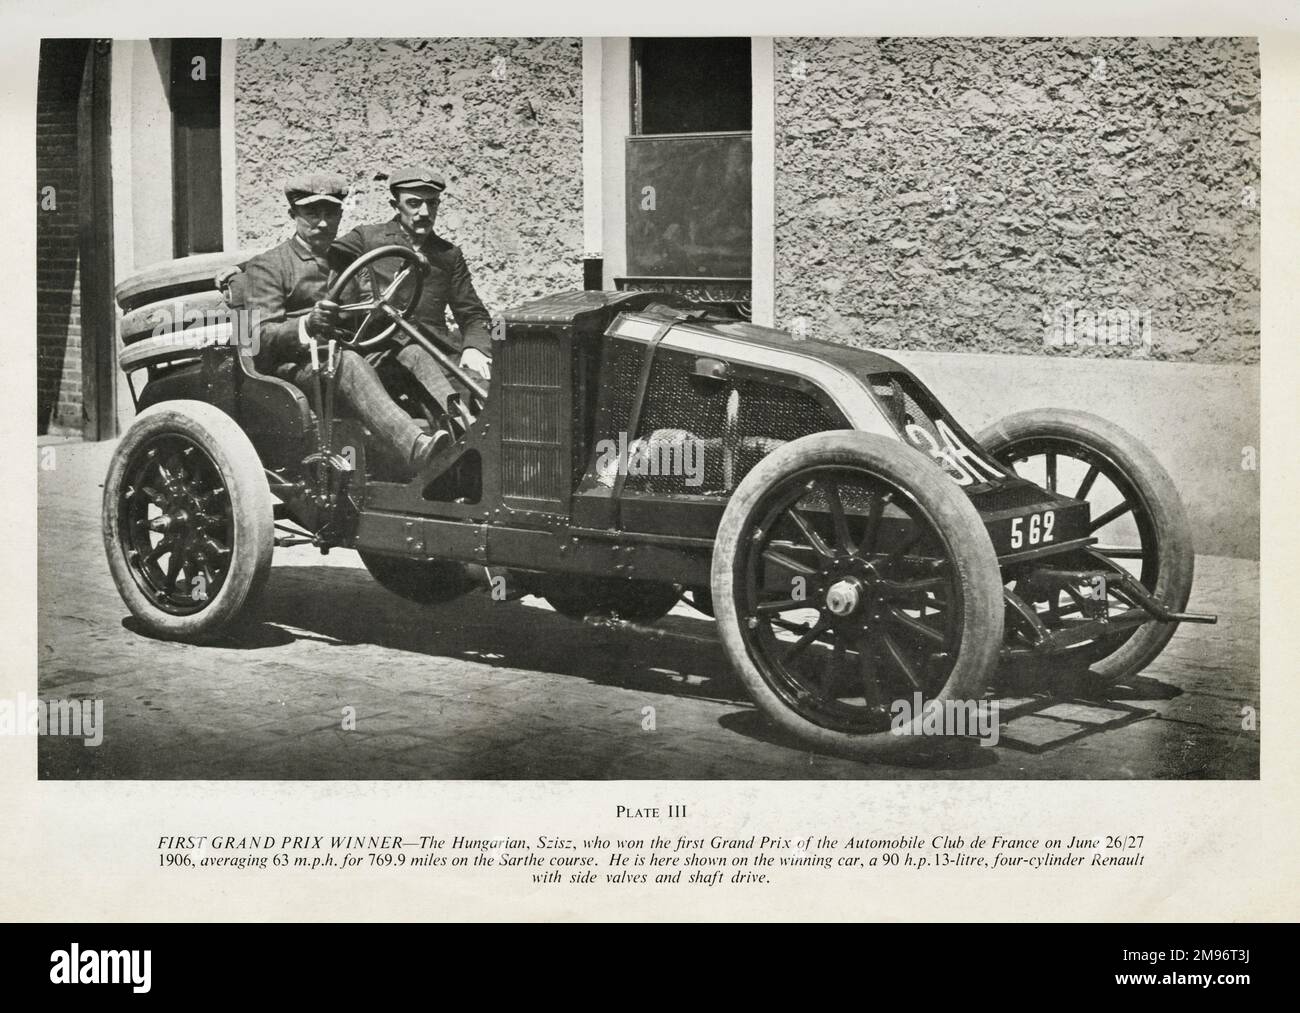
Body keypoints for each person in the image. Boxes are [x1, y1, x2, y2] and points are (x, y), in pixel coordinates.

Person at [240, 173, 447, 476]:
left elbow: (370, 304)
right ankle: (415, 447)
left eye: (331, 213)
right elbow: (258, 338)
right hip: (295, 370)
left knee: (411, 352)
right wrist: (307, 325)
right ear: (292, 215)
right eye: (312, 213)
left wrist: (386, 303)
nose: (323, 223)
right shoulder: (270, 265)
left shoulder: (348, 259)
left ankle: (465, 428)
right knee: (348, 362)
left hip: (350, 354)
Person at [326, 165, 493, 423]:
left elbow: (473, 313)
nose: (424, 212)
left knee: (488, 391)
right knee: (448, 406)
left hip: (437, 352)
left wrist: (475, 347)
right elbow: (322, 256)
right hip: (383, 355)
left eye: (432, 204)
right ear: (396, 204)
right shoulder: (367, 238)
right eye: (414, 203)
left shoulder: (448, 255)